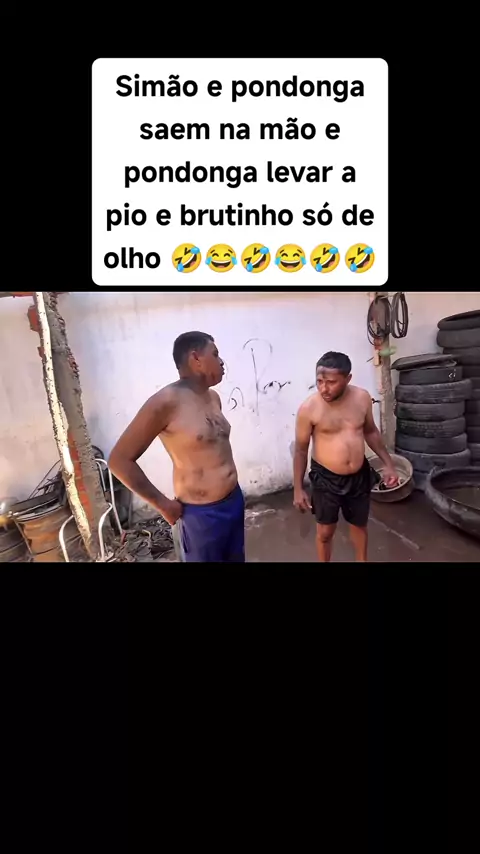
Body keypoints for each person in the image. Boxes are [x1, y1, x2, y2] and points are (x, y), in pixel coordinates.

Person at [108, 331, 245, 562]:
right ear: (196, 358)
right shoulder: (165, 402)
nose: (221, 361)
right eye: (215, 354)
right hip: (201, 516)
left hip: (233, 501)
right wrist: (163, 505)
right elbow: (119, 460)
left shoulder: (213, 398)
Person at [293, 351, 398, 562]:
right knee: (325, 532)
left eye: (331, 382)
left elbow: (370, 431)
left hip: (358, 476)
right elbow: (301, 450)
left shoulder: (362, 398)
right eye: (319, 381)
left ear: (348, 378)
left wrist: (388, 464)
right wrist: (298, 488)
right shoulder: (309, 408)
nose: (324, 388)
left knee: (359, 525)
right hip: (326, 478)